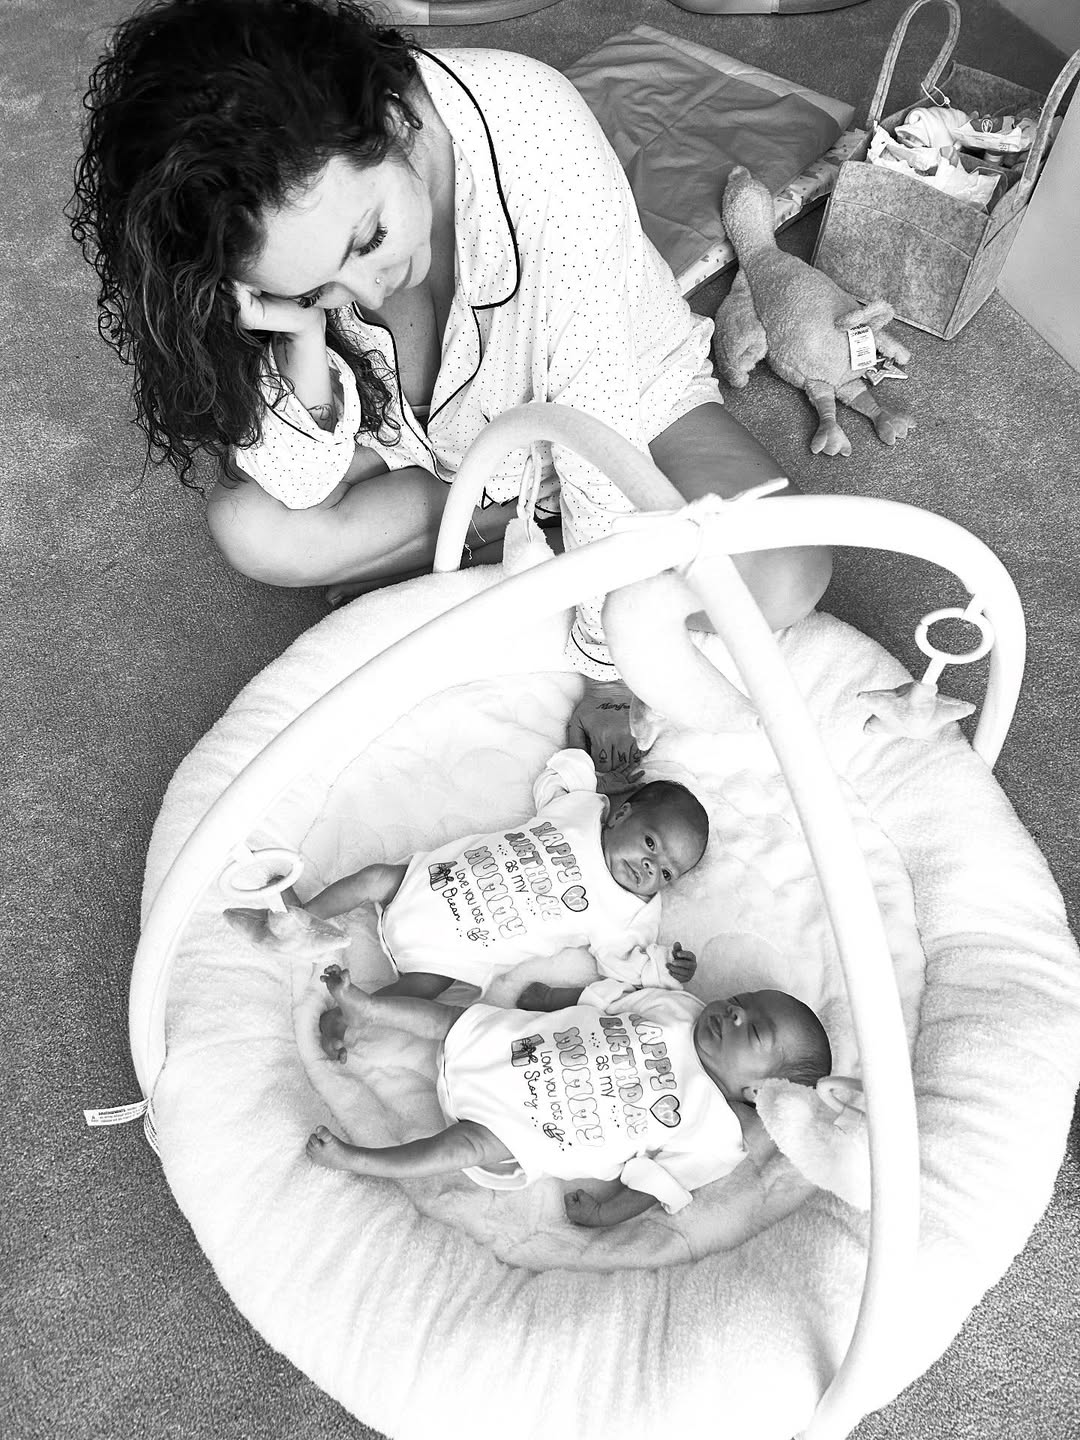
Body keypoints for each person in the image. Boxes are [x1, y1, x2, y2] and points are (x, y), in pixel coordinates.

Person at [69, 0, 831, 673]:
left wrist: (603, 661)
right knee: (250, 529)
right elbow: (298, 487)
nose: (365, 294)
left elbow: (595, 422)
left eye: (368, 240)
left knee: (787, 573)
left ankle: (500, 544)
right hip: (425, 440)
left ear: (393, 122)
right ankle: (506, 530)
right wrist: (300, 334)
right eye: (312, 288)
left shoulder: (538, 127)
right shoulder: (279, 252)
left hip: (624, 409)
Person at [306, 965, 833, 1227]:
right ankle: (367, 1010)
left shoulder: (719, 1134)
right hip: (524, 1045)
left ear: (760, 1090)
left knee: (462, 1148)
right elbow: (612, 997)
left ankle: (364, 1159)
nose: (734, 1013)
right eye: (740, 1002)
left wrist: (608, 1216)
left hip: (531, 1124)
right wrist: (553, 998)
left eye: (754, 1032)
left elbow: (662, 1181)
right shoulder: (683, 1010)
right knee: (454, 1020)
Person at [292, 747, 709, 1004]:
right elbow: (558, 778)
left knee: (424, 990)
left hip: (458, 950)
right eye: (651, 844)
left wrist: (666, 967)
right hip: (438, 883)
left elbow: (625, 963)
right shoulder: (584, 809)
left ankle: (355, 1013)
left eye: (667, 872)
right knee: (377, 876)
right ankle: (302, 918)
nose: (649, 869)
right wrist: (599, 778)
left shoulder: (627, 913)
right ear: (621, 814)